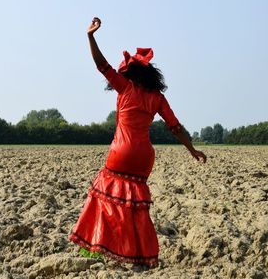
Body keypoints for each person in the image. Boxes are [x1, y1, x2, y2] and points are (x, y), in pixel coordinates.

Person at [69, 17, 207, 268]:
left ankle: (97, 249)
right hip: (143, 158)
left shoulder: (125, 87)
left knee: (104, 200)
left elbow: (102, 65)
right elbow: (176, 128)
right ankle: (137, 255)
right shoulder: (157, 98)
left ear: (130, 73)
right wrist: (192, 149)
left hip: (121, 152)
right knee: (134, 208)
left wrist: (90, 37)